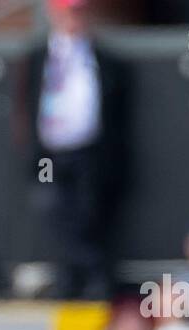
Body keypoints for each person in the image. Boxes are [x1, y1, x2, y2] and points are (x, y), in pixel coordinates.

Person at [22, 0, 130, 299]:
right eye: (68, 11)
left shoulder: (104, 59)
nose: (74, 18)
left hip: (90, 154)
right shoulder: (38, 58)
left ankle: (96, 283)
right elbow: (26, 106)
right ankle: (67, 280)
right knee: (56, 215)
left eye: (79, 11)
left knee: (90, 214)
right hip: (51, 154)